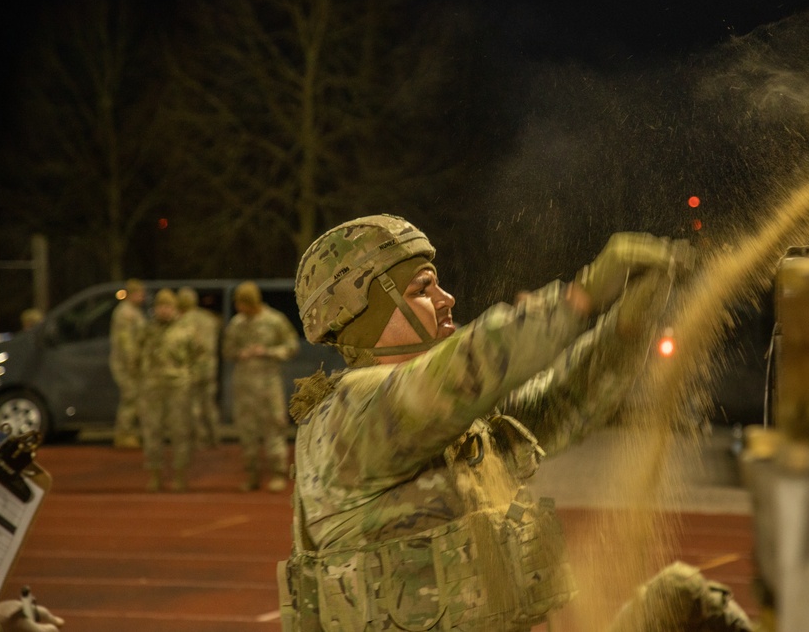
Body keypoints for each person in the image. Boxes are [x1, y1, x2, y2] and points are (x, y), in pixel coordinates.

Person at [280, 214, 753, 631]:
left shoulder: (445, 416)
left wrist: (630, 322)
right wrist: (581, 297)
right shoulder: (351, 416)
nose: (446, 299)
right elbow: (470, 364)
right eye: (422, 290)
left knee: (683, 598)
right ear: (367, 314)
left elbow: (564, 402)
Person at [222, 281, 299, 492]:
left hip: (268, 385)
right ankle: (252, 474)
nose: (239, 307)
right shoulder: (237, 324)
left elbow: (291, 345)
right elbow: (227, 350)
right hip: (244, 386)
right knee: (247, 431)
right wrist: (240, 353)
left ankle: (278, 473)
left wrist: (268, 351)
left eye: (243, 303)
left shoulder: (274, 320)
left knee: (274, 427)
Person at [139, 288, 203, 492]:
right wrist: (140, 377)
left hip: (178, 387)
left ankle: (179, 475)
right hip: (152, 387)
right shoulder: (147, 330)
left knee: (180, 431)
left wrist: (191, 378)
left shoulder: (186, 330)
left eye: (168, 306)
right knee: (152, 432)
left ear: (175, 308)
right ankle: (155, 475)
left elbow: (200, 356)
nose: (164, 310)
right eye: (160, 306)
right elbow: (135, 355)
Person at [176, 287, 222, 449]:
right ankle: (215, 437)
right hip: (210, 367)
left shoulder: (182, 320)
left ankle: (200, 439)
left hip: (192, 368)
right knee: (209, 404)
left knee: (193, 405)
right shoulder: (209, 318)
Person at [109, 278, 146, 449]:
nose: (142, 297)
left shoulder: (133, 312)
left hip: (129, 363)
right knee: (130, 397)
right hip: (125, 364)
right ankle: (124, 434)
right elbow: (126, 342)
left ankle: (129, 432)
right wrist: (132, 362)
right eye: (140, 293)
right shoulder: (126, 313)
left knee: (133, 398)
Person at [0, 598, 64, 632]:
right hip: (5, 609)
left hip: (9, 621)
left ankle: (52, 624)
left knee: (43, 629)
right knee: (34, 610)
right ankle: (52, 620)